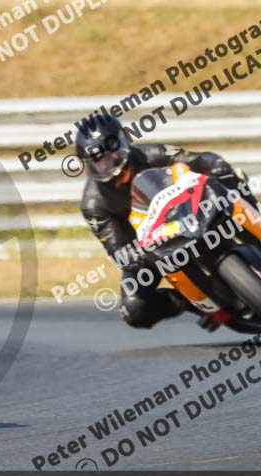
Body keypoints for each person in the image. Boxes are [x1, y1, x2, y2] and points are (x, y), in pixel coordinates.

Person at [77, 114, 258, 329]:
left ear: (123, 143)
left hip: (190, 215)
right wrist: (135, 255)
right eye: (98, 162)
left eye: (112, 155)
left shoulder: (152, 154)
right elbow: (118, 251)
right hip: (149, 248)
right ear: (87, 164)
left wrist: (216, 166)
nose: (108, 165)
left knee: (230, 181)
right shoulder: (93, 205)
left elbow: (197, 159)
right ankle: (191, 302)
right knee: (134, 308)